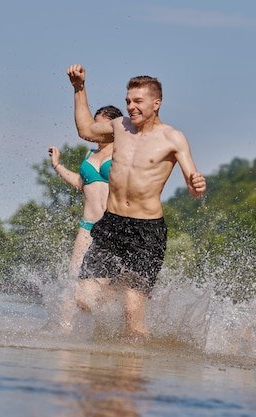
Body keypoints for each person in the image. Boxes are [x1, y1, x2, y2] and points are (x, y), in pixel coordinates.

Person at [66, 64, 206, 340]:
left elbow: (194, 187)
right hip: (112, 224)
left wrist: (197, 184)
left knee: (132, 313)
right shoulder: (120, 127)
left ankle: (130, 375)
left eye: (137, 101)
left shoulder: (173, 138)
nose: (131, 107)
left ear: (157, 103)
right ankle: (119, 298)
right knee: (83, 298)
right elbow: (85, 130)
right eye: (128, 101)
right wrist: (79, 88)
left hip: (147, 231)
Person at [48, 105, 123, 279]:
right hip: (87, 227)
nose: (95, 130)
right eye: (94, 125)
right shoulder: (90, 154)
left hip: (113, 228)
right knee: (74, 280)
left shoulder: (121, 153)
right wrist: (57, 165)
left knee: (110, 286)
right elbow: (81, 184)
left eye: (100, 126)